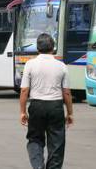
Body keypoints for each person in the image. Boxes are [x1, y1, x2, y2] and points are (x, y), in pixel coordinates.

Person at [19, 33, 73, 169]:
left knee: (35, 138)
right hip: (56, 106)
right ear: (53, 48)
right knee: (57, 143)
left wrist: (23, 112)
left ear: (37, 48)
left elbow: (24, 90)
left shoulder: (30, 64)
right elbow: (66, 92)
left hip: (36, 105)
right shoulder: (61, 66)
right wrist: (70, 113)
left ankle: (38, 166)